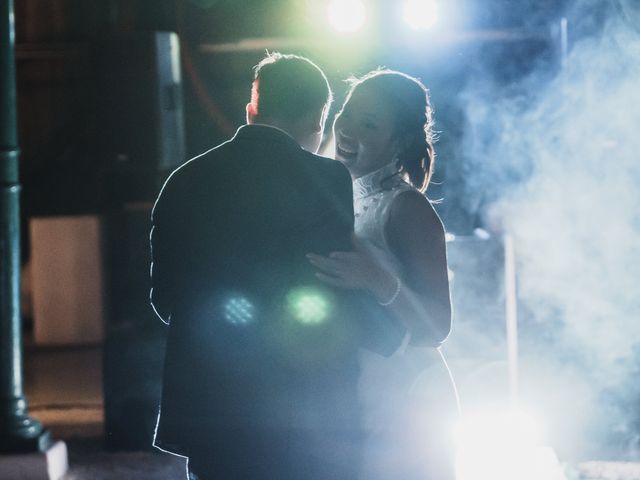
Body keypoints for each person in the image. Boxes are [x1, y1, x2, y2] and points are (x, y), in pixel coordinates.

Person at [149, 53, 406, 480]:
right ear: (318, 118)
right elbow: (332, 277)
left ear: (252, 110)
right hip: (301, 399)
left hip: (212, 401)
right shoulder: (326, 179)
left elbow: (164, 298)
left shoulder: (184, 180)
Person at [307, 69, 460, 479]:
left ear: (400, 142)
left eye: (369, 123)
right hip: (361, 394)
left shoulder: (407, 207)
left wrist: (378, 280)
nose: (349, 128)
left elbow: (438, 327)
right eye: (348, 113)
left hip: (409, 397)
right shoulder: (337, 196)